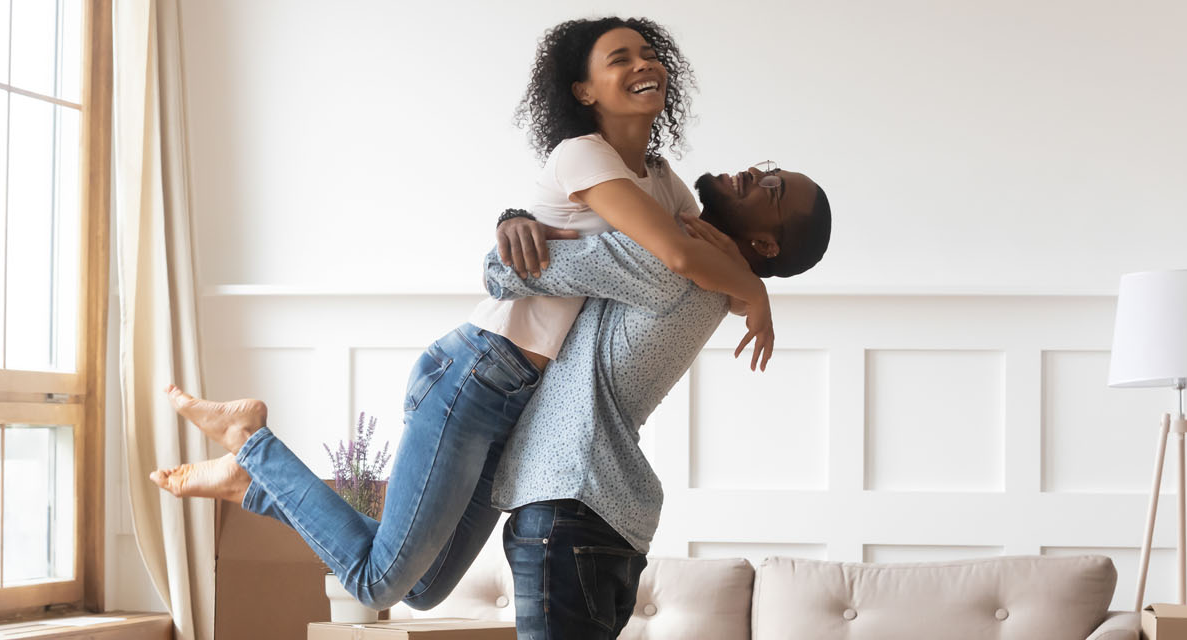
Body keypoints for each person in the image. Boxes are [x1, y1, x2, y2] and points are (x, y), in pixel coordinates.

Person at [153, 16, 781, 613]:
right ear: (583, 90)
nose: (645, 64)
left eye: (649, 54)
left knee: (423, 589)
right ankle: (253, 446)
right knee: (376, 586)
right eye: (621, 58)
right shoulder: (583, 155)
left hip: (519, 400)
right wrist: (756, 295)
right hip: (476, 373)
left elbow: (705, 249)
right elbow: (677, 254)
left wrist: (739, 274)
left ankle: (252, 483)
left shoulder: (660, 178)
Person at [158, 162, 832, 640]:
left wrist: (517, 227)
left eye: (770, 188)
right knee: (413, 587)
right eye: (766, 168)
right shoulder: (708, 274)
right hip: (584, 507)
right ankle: (256, 475)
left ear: (765, 243)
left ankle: (255, 458)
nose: (752, 173)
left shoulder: (673, 260)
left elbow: (504, 269)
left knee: (391, 585)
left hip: (573, 508)